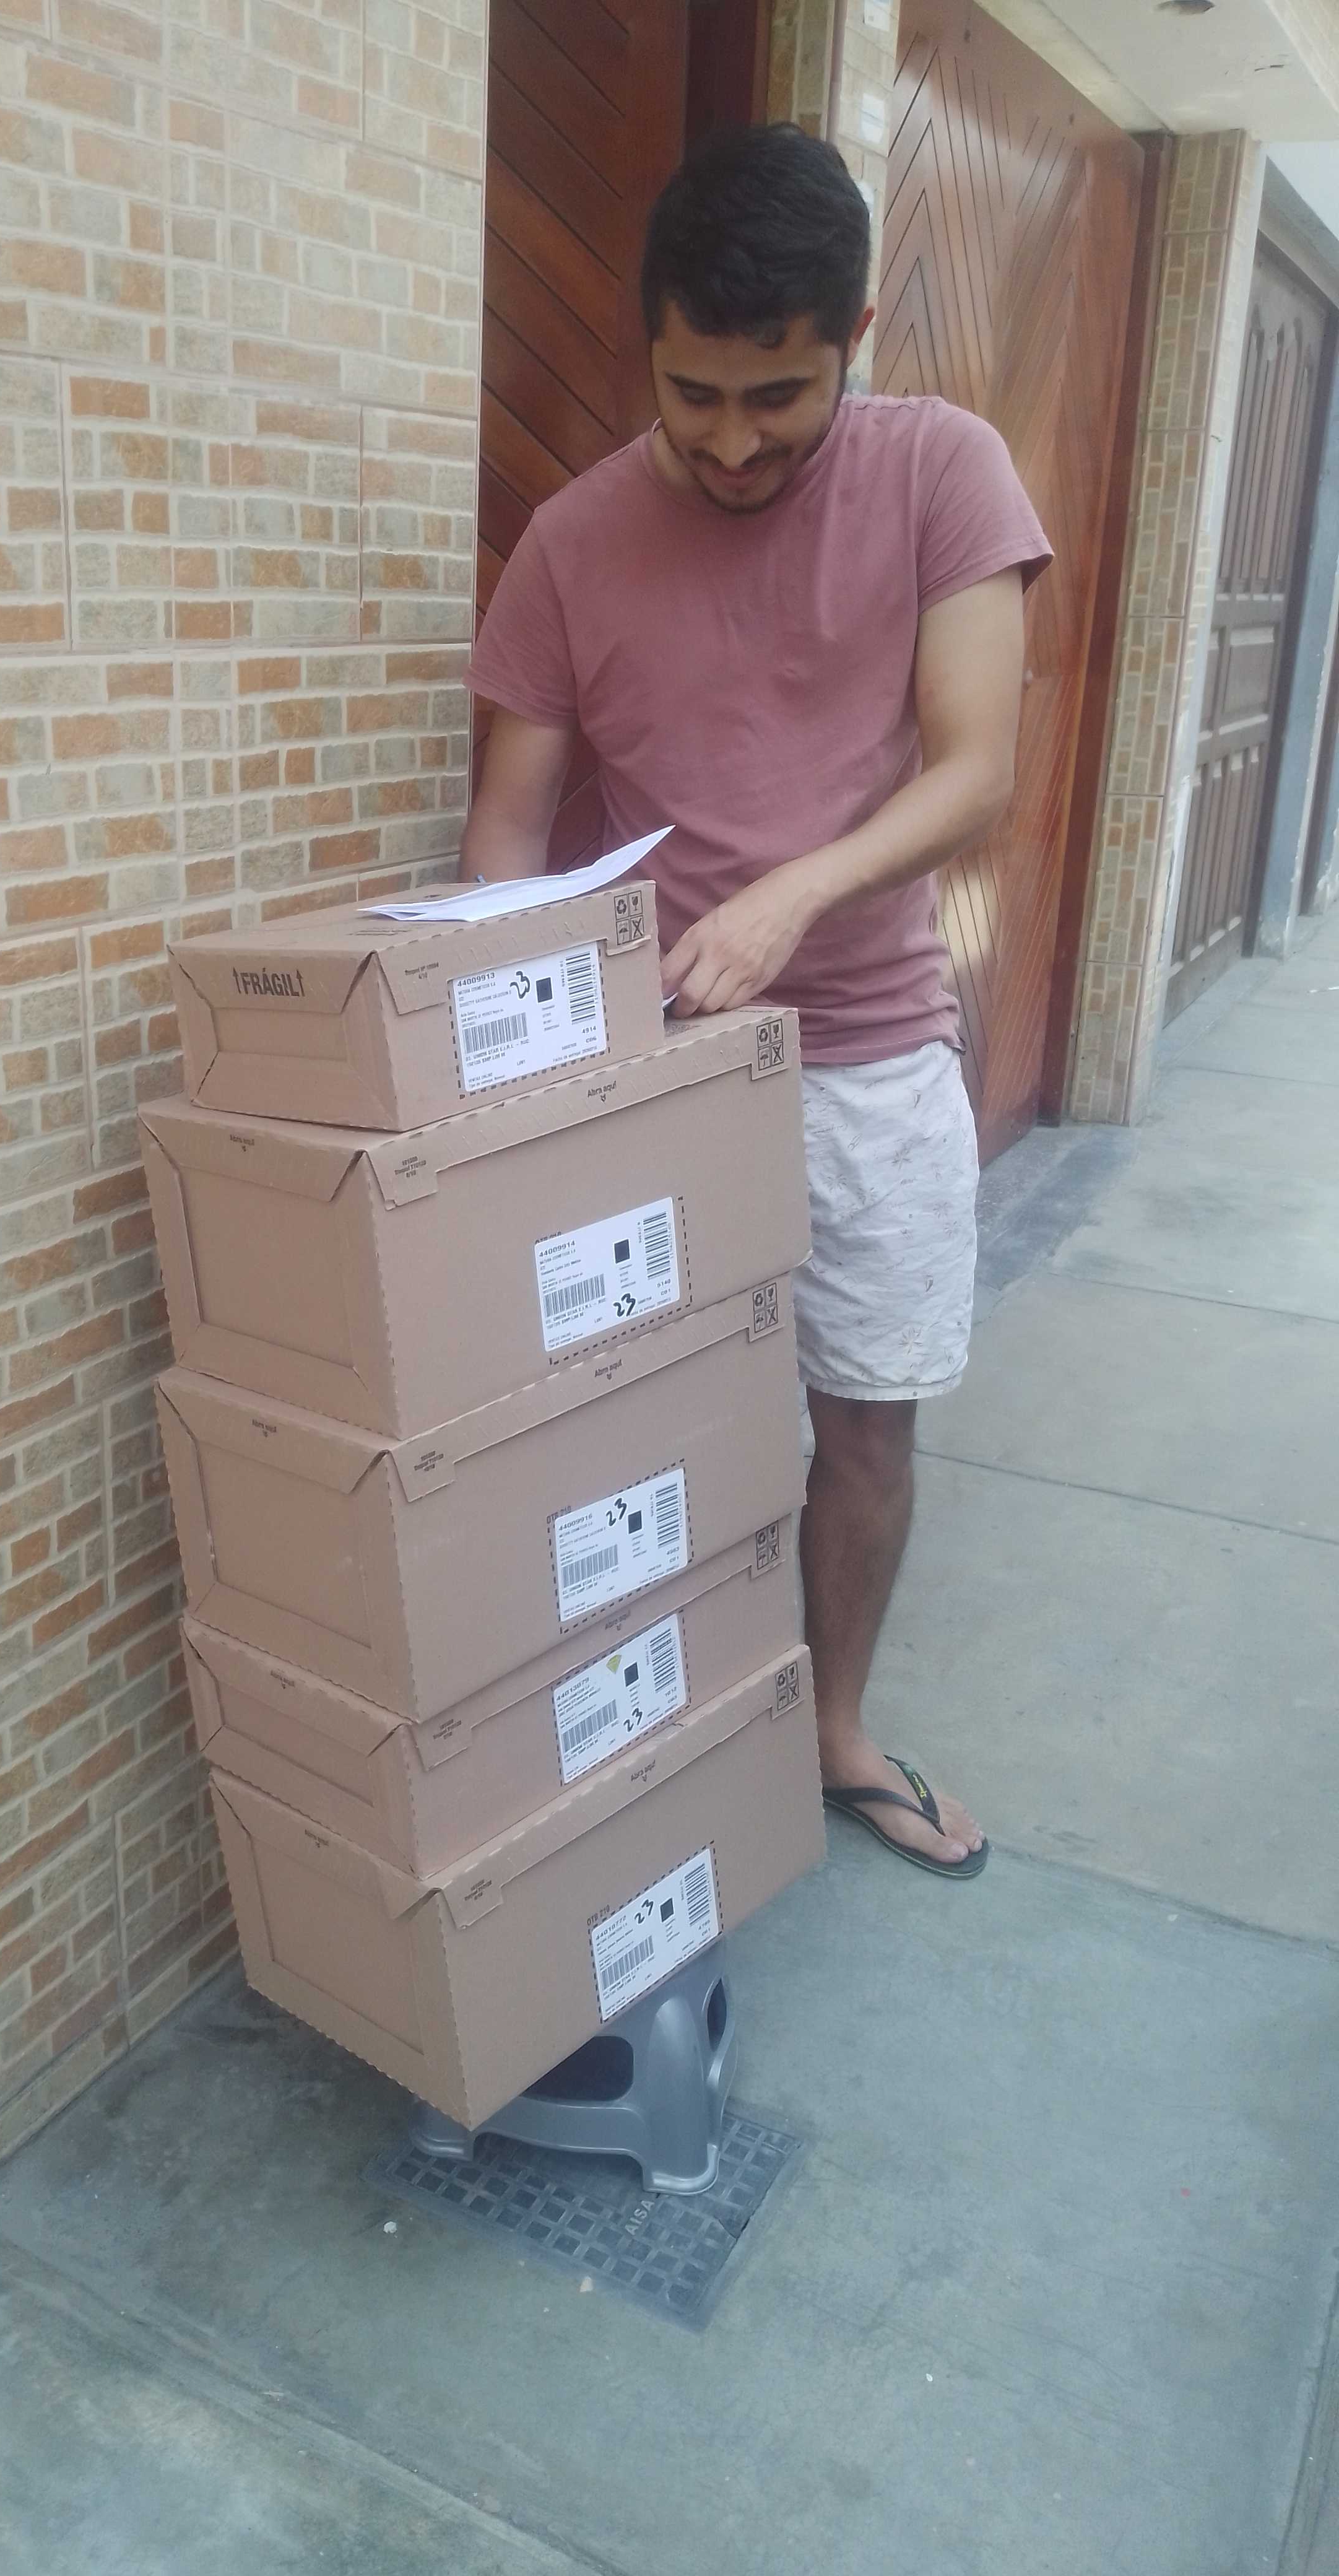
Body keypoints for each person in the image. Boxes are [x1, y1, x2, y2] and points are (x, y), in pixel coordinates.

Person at [462, 123, 1052, 1878]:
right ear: (646, 343)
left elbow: (978, 767)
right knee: (628, 1428)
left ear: (854, 335)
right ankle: (654, 1728)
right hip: (643, 1072)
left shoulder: (942, 472)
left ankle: (831, 1731)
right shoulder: (572, 540)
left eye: (778, 396)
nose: (731, 441)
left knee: (864, 1416)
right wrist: (499, 1066)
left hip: (866, 1052)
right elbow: (508, 826)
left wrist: (797, 893)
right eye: (693, 394)